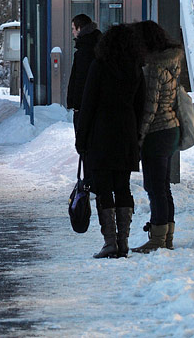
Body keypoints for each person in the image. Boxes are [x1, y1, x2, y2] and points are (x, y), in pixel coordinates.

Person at [75, 23, 145, 258]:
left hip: (102, 132)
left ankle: (110, 242)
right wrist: (136, 135)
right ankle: (123, 241)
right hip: (126, 131)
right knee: (122, 186)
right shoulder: (136, 68)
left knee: (104, 187)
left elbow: (88, 104)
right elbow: (141, 104)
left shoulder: (100, 66)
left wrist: (81, 138)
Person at [131, 20, 184, 253]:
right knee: (162, 186)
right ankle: (166, 237)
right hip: (170, 129)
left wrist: (139, 135)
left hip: (157, 132)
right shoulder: (170, 63)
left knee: (155, 187)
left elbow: (149, 107)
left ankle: (157, 239)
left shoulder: (153, 68)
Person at [67, 14, 101, 135]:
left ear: (80, 28)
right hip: (98, 104)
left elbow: (80, 80)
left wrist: (76, 104)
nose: (72, 32)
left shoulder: (83, 52)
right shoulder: (99, 45)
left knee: (83, 139)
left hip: (84, 106)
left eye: (73, 28)